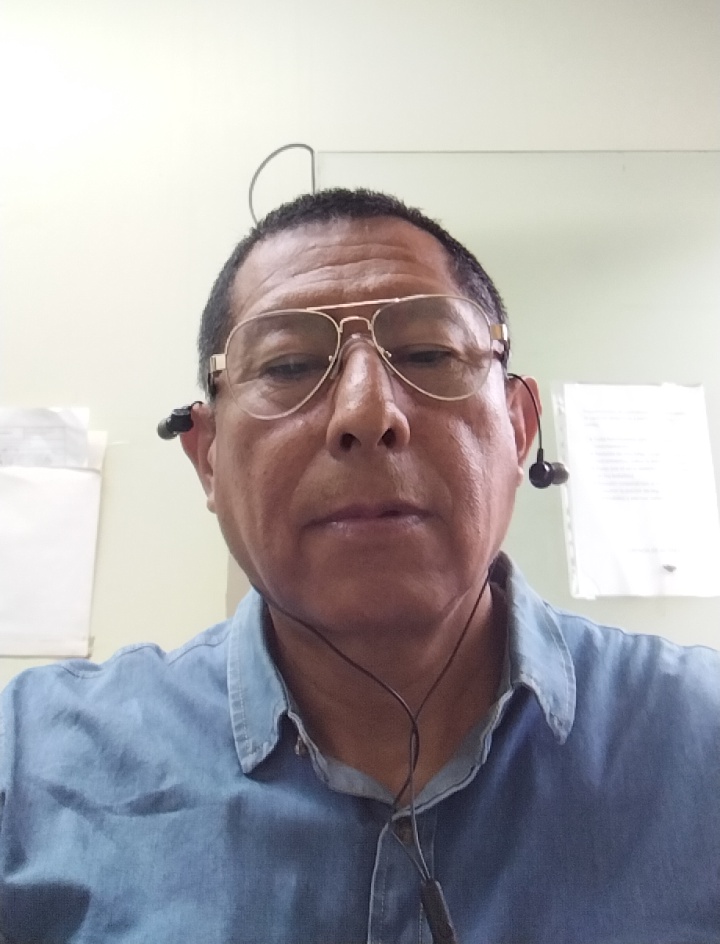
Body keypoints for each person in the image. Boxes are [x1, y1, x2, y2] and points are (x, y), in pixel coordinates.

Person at [1, 188, 719, 944]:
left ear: (518, 430)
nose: (367, 414)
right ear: (207, 458)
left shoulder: (700, 737)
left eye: (429, 354)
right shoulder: (33, 766)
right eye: (289, 365)